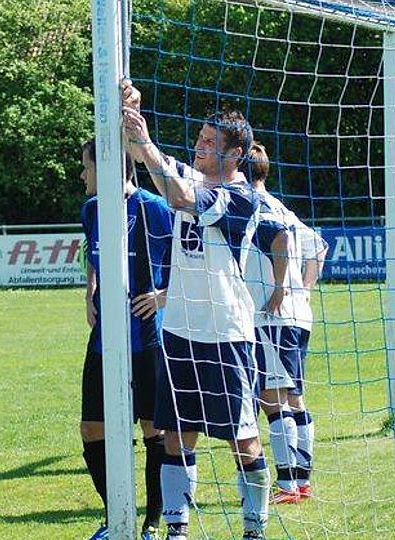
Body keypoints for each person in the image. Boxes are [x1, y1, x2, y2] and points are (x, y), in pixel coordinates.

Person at [121, 80, 289, 540]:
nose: (199, 147)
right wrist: (134, 118)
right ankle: (177, 528)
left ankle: (253, 528)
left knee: (243, 439)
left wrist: (148, 146)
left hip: (226, 335)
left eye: (210, 143)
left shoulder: (240, 197)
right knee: (175, 434)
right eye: (199, 139)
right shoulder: (194, 176)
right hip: (178, 330)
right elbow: (150, 164)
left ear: (234, 154)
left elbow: (178, 197)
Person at [79, 137, 174, 540]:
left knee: (155, 430)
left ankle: (153, 522)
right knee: (91, 428)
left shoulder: (153, 208)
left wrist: (162, 295)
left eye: (87, 166)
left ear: (106, 166)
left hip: (146, 340)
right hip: (104, 339)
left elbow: (186, 256)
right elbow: (91, 252)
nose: (82, 175)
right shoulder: (92, 210)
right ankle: (115, 515)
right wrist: (90, 290)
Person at [242, 143, 328, 504]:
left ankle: (289, 485)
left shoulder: (253, 206)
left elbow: (281, 242)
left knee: (273, 400)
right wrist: (303, 290)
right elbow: (319, 248)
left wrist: (280, 288)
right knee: (294, 398)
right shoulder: (282, 206)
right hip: (296, 316)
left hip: (271, 316)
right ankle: (302, 481)